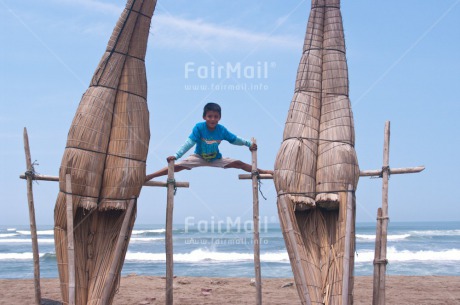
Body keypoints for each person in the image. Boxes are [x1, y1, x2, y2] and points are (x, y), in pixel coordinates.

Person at [145, 102, 273, 180]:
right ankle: (150, 176)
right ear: (204, 117)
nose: (212, 119)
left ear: (219, 118)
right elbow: (189, 143)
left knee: (239, 163)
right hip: (198, 156)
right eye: (210, 116)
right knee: (176, 167)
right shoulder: (199, 127)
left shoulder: (221, 130)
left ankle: (264, 172)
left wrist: (248, 144)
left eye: (215, 117)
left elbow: (234, 139)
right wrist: (176, 155)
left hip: (216, 158)